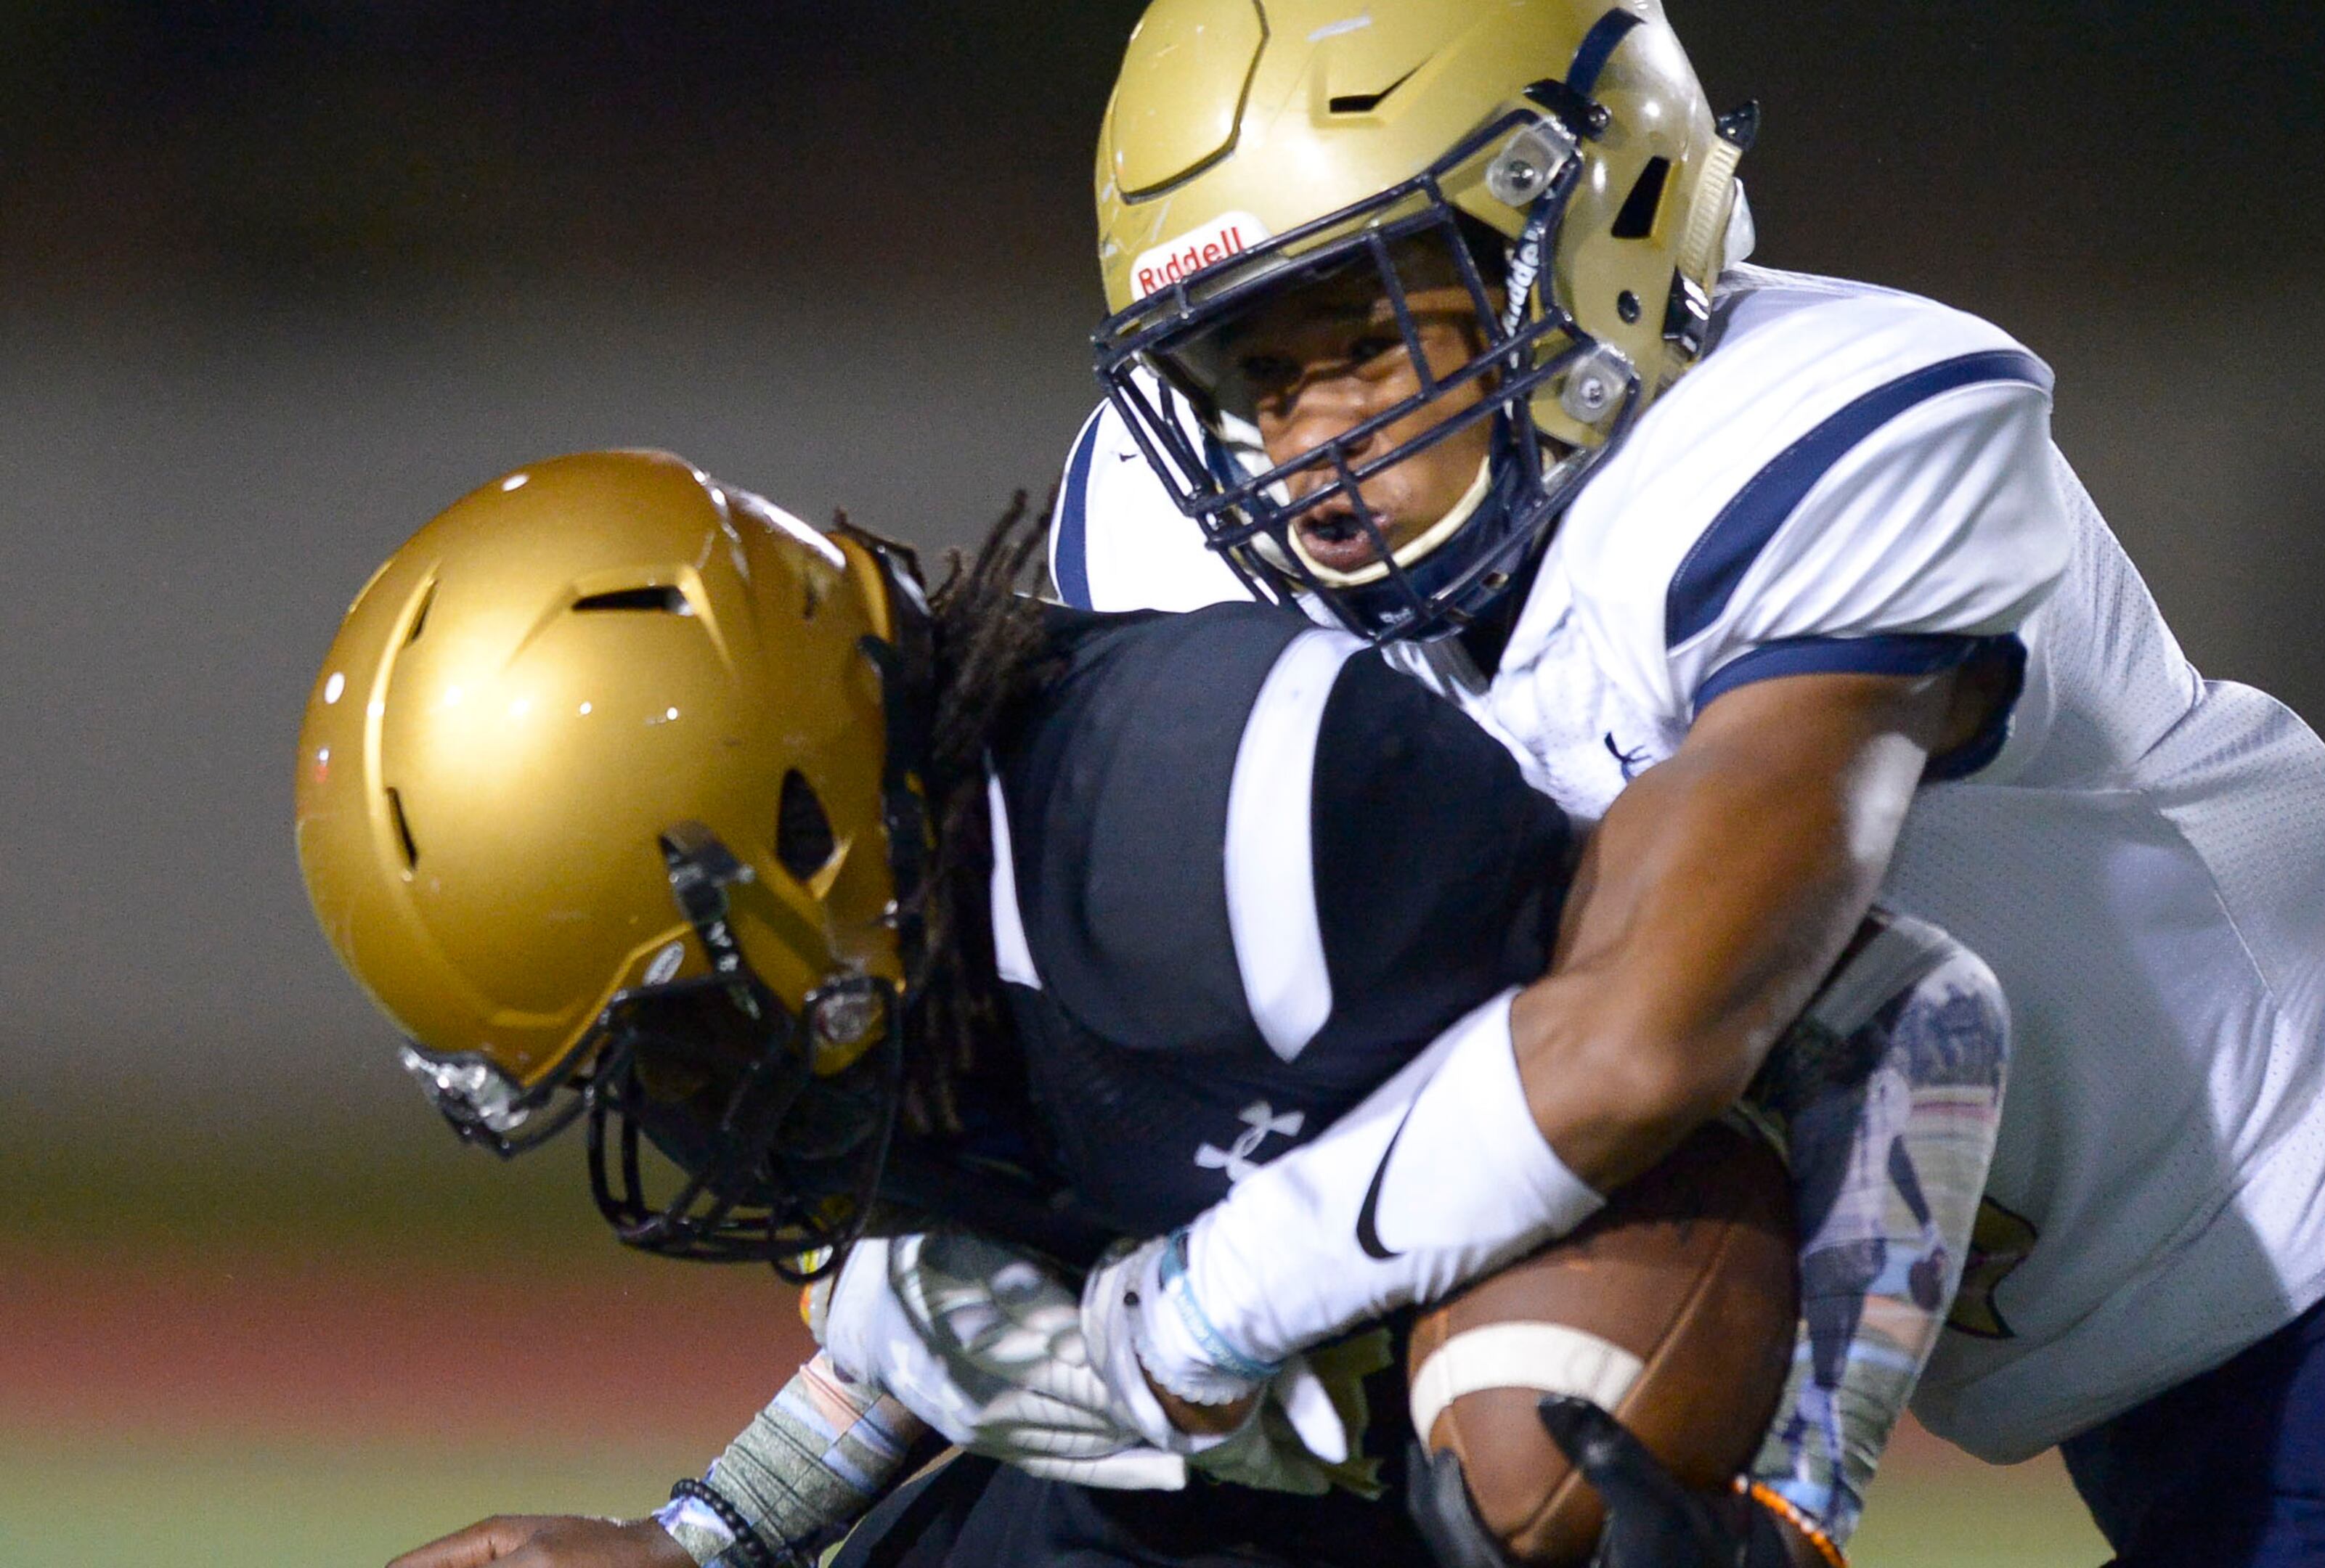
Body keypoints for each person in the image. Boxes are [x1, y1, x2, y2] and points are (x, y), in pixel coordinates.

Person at [1005, 1, 2325, 1564]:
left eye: (1367, 331)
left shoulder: (1829, 439)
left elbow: (1656, 1032)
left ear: (1588, 228)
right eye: (1251, 372)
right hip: (2113, 1357)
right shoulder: (1197, 550)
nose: (1308, 447)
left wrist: (1196, 1314)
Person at [306, 449, 1963, 1568]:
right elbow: (970, 1306)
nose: (677, 1102)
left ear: (808, 847)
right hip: (1219, 1499)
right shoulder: (887, 960)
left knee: (1535, 1469)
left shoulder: (1228, 831)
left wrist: (1791, 1502)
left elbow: (1908, 1012)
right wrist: (705, 1539)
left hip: (1462, 1478)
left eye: (671, 1032)